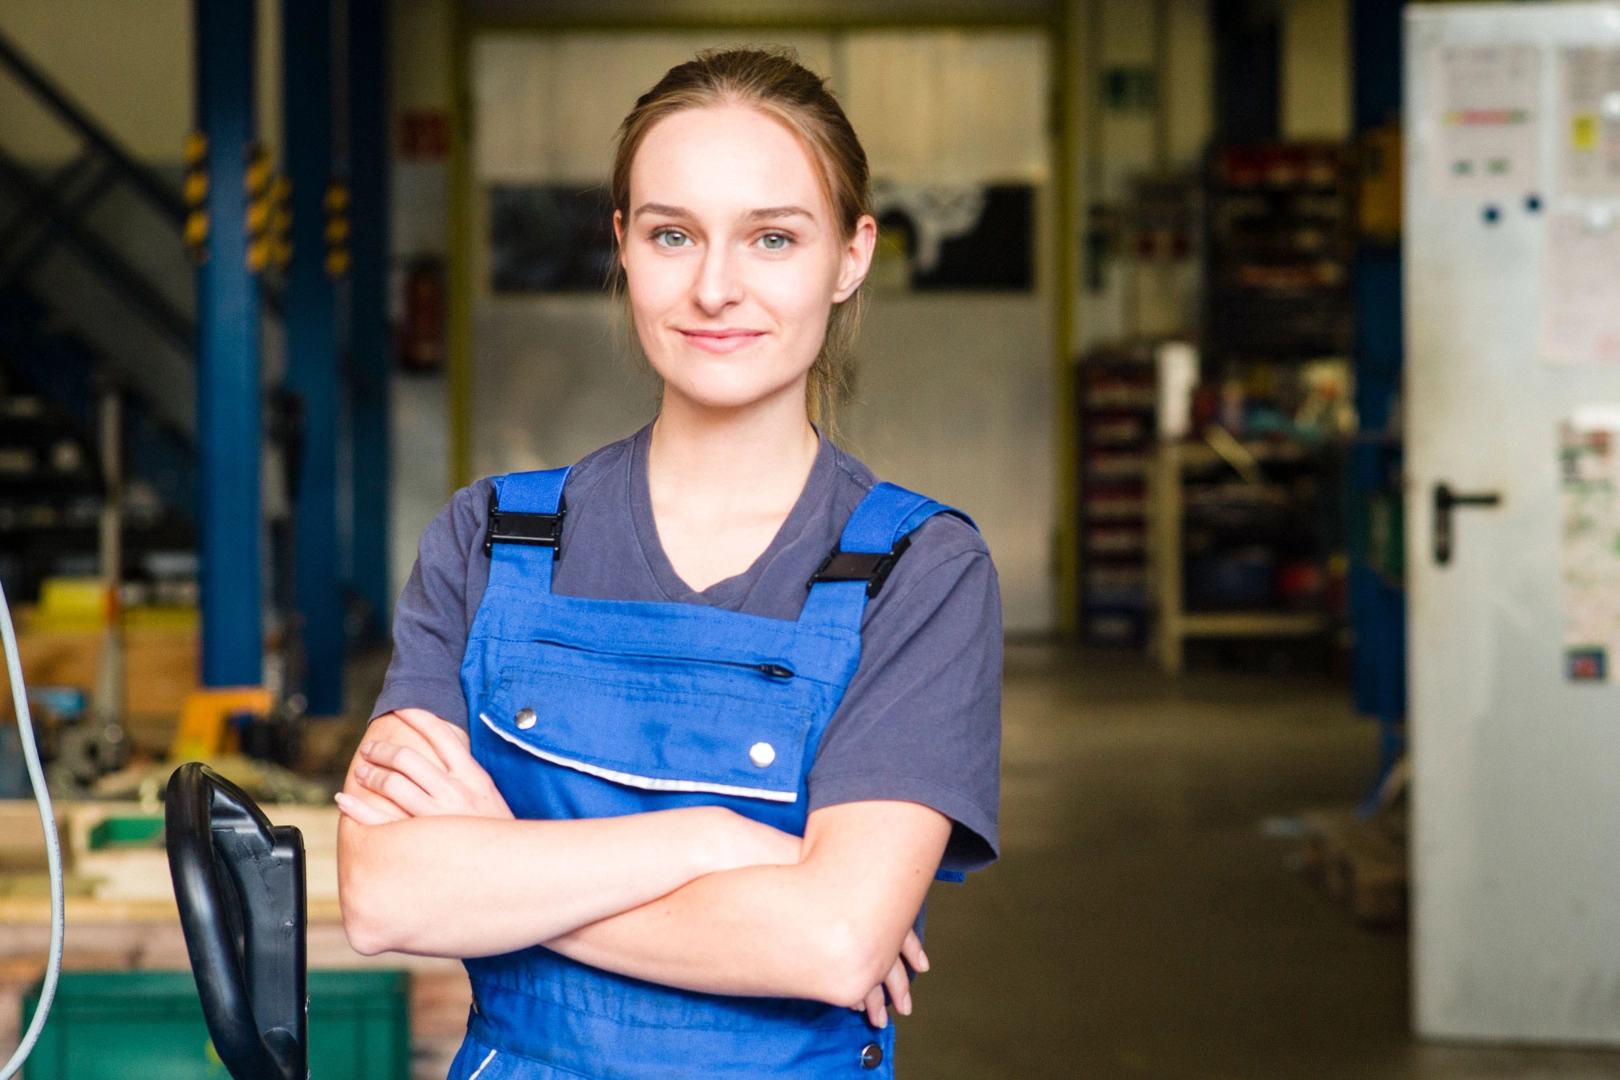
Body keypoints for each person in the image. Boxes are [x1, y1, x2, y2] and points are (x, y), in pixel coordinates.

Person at [335, 48, 1001, 1080]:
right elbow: (386, 896)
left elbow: (831, 944)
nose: (714, 287)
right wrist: (713, 839)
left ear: (851, 256)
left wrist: (500, 871)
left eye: (772, 237)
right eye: (672, 234)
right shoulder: (492, 539)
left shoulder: (919, 570)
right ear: (624, 246)